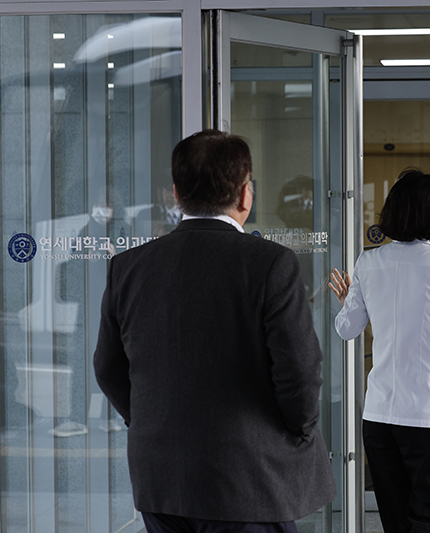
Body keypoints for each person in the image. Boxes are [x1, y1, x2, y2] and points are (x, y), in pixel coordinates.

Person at [93, 129, 336, 533]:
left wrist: (152, 420)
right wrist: (299, 429)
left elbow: (107, 367)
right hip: (247, 479)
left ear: (176, 193)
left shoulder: (129, 267)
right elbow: (299, 371)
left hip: (161, 478)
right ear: (246, 194)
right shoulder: (271, 264)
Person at [329, 168, 430, 533]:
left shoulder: (368, 262)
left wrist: (348, 301)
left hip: (380, 416)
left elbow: (347, 329)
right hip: (429, 415)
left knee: (396, 518)